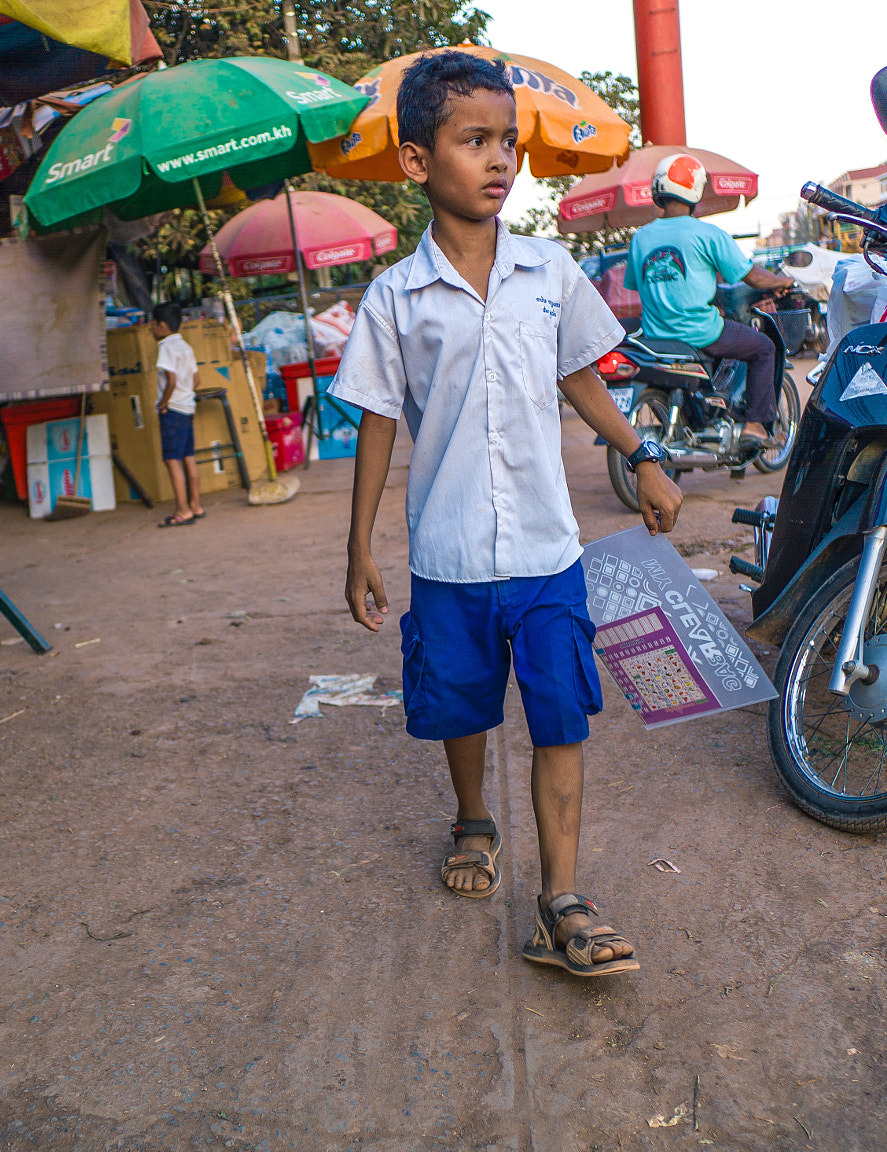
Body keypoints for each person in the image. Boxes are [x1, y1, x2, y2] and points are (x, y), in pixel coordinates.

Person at [333, 50, 684, 979]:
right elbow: (374, 418)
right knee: (461, 703)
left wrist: (642, 455)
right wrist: (362, 546)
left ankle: (561, 899)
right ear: (417, 162)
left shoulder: (549, 270)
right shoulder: (394, 299)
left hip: (546, 549)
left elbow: (579, 377)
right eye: (474, 140)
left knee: (561, 715)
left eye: (509, 143)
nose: (500, 161)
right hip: (447, 552)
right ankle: (474, 818)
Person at [625, 153, 797, 449]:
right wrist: (782, 282)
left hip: (655, 335)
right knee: (763, 348)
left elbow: (635, 285)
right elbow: (751, 276)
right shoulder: (707, 234)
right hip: (701, 332)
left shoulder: (640, 238)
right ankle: (755, 426)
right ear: (694, 190)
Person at [151, 301, 205, 527]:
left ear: (162, 325)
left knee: (172, 460)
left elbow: (170, 380)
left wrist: (163, 404)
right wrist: (185, 396)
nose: (151, 329)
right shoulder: (185, 346)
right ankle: (195, 505)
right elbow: (196, 379)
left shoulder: (165, 347)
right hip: (187, 408)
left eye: (152, 324)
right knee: (188, 457)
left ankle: (182, 510)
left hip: (172, 410)